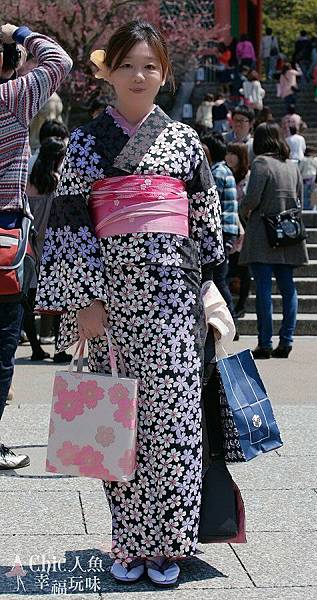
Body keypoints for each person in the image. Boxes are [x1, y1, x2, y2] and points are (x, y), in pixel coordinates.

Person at [35, 19, 225, 586]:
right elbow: (69, 223)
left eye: (149, 65)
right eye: (126, 65)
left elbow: (205, 223)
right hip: (109, 300)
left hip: (172, 299)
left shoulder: (186, 141)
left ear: (164, 74)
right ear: (106, 74)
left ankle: (169, 544)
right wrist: (85, 302)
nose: (138, 75)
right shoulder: (88, 142)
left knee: (174, 422)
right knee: (117, 420)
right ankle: (127, 541)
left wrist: (206, 288)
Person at [0, 23, 72, 470]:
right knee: (2, 343)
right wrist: (19, 32)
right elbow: (60, 61)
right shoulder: (11, 98)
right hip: (4, 236)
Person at [239, 122, 308, 359]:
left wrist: (242, 210)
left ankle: (265, 343)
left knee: (264, 290)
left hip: (262, 233)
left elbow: (252, 199)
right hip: (287, 234)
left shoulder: (260, 163)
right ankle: (286, 340)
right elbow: (300, 200)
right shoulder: (292, 166)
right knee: (289, 288)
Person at [25, 137, 71, 364]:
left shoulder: (29, 182)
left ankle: (35, 348)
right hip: (54, 249)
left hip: (30, 249)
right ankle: (59, 351)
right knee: (56, 303)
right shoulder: (58, 182)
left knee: (28, 302)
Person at [202, 134, 238, 324]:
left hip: (220, 231)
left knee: (218, 279)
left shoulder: (215, 173)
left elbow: (210, 205)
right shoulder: (225, 170)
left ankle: (229, 320)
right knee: (220, 278)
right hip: (228, 229)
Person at [225, 142, 251, 318]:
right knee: (230, 267)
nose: (229, 157)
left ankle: (242, 303)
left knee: (243, 269)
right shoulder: (224, 174)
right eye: (228, 153)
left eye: (233, 154)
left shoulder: (247, 176)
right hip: (230, 227)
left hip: (245, 226)